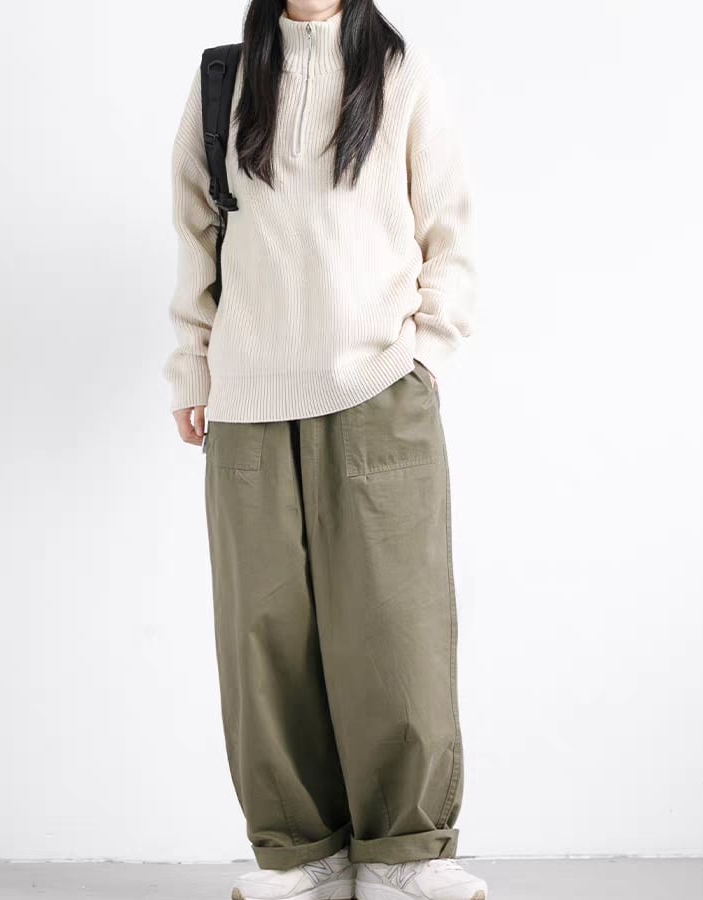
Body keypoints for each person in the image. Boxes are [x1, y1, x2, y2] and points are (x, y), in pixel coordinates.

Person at [164, 1, 482, 898]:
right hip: (248, 398)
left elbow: (450, 229)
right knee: (263, 640)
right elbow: (194, 235)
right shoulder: (223, 81)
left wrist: (426, 356)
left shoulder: (402, 73)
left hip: (379, 386)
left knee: (394, 626)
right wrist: (193, 365)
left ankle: (406, 857)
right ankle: (303, 856)